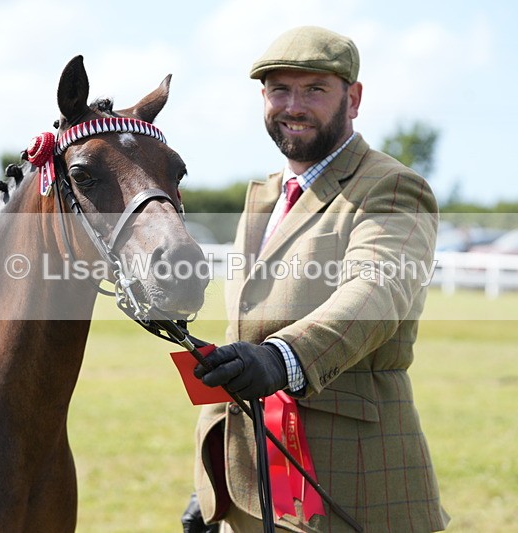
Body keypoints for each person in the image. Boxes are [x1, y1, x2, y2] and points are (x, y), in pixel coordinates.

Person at [181, 26, 449, 532]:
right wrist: (214, 480)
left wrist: (283, 357)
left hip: (349, 481)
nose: (294, 106)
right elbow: (247, 330)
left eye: (314, 90)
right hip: (248, 486)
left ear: (354, 98)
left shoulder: (391, 187)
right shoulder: (265, 195)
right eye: (279, 90)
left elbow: (377, 291)